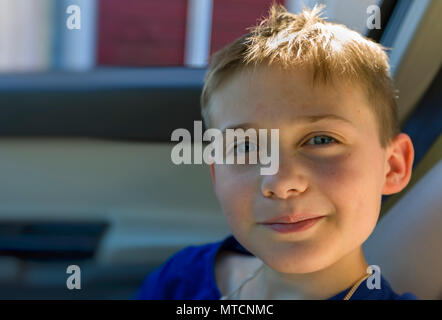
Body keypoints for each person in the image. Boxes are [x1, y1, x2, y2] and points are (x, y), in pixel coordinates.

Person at [135, 4, 417, 300]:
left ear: (392, 166)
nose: (280, 183)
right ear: (217, 175)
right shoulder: (181, 280)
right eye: (245, 147)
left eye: (321, 140)